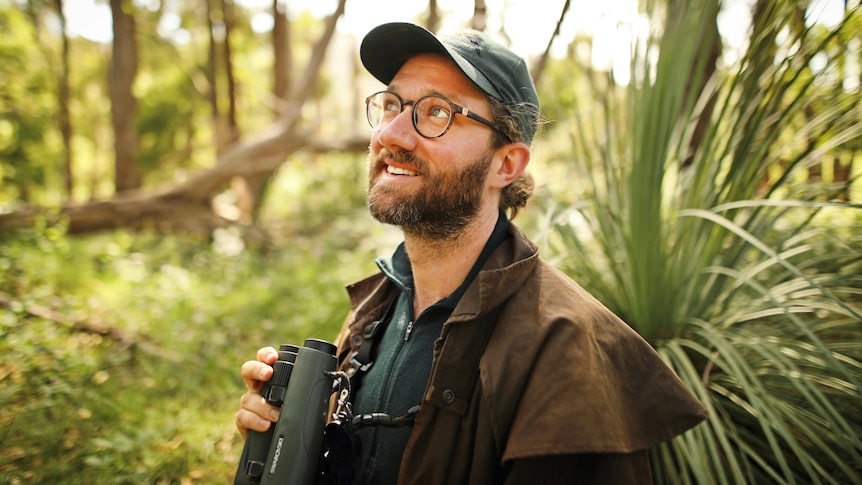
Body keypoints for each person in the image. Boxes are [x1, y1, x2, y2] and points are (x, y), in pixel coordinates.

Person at [236, 21, 708, 485]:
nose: (392, 134)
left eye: (437, 112)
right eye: (391, 104)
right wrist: (283, 445)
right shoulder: (377, 307)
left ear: (505, 164)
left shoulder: (566, 347)